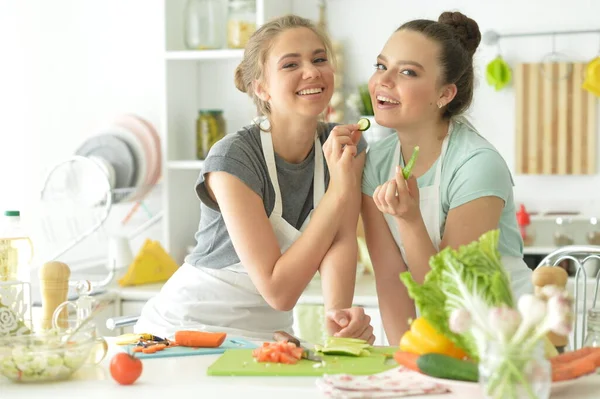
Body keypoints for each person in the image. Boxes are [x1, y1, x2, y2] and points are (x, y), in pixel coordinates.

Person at [135, 15, 374, 343]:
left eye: (320, 59)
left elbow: (341, 240)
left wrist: (338, 318)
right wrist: (340, 190)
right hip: (186, 329)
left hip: (268, 333)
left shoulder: (342, 145)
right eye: (291, 65)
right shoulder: (233, 158)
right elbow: (279, 291)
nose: (312, 71)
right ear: (261, 88)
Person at [360, 11, 533, 345]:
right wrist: (406, 359)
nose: (383, 80)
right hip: (433, 338)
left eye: (407, 72)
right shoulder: (375, 164)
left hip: (503, 339)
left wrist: (409, 220)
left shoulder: (476, 164)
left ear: (444, 94)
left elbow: (453, 293)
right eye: (381, 66)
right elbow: (390, 278)